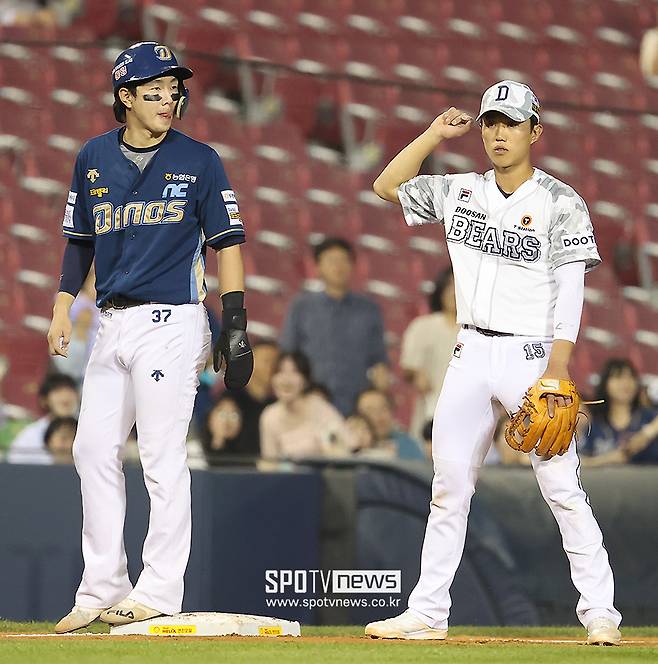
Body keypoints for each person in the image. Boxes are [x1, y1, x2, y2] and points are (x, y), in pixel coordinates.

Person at [364, 81, 621, 646]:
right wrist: (433, 134)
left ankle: (601, 611)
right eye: (491, 123)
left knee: (562, 488)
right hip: (470, 351)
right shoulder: (461, 190)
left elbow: (571, 292)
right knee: (448, 486)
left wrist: (558, 368)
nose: (499, 133)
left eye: (511, 123)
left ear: (535, 131)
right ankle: (428, 611)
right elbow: (385, 185)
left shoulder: (560, 201)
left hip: (532, 355)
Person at [48, 42, 254, 634]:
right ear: (126, 97)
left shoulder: (200, 160)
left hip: (172, 320)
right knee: (92, 450)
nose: (169, 99)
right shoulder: (93, 156)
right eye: (155, 91)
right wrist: (62, 307)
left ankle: (159, 589)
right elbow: (79, 241)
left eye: (173, 90)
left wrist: (235, 322)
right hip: (110, 321)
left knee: (162, 457)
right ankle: (102, 586)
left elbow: (228, 244)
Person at [280, 237, 389, 416]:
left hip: (356, 408)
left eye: (344, 260)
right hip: (311, 403)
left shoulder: (369, 309)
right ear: (317, 268)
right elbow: (289, 355)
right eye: (331, 261)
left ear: (353, 266)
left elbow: (378, 361)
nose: (338, 266)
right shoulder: (302, 307)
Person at [400, 267, 460, 439]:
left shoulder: (477, 333)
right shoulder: (423, 326)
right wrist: (416, 375)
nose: (454, 292)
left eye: (459, 286)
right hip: (430, 409)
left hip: (468, 412)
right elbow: (408, 367)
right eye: (449, 286)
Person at [260, 352, 353, 460]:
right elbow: (269, 462)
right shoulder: (269, 416)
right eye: (280, 371)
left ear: (305, 380)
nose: (286, 380)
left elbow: (345, 447)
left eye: (294, 372)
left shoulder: (319, 407)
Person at [581, 359, 658, 465]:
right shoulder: (595, 425)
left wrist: (647, 434)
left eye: (630, 377)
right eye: (618, 377)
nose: (625, 383)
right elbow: (581, 462)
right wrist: (607, 459)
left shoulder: (650, 418)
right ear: (605, 384)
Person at [6, 373, 79, 465]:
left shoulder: (88, 429)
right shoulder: (30, 434)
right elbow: (14, 465)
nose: (65, 397)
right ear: (44, 400)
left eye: (70, 391)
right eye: (58, 391)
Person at [355, 388, 426, 461]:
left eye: (383, 408)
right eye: (370, 410)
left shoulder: (407, 444)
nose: (378, 416)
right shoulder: (352, 447)